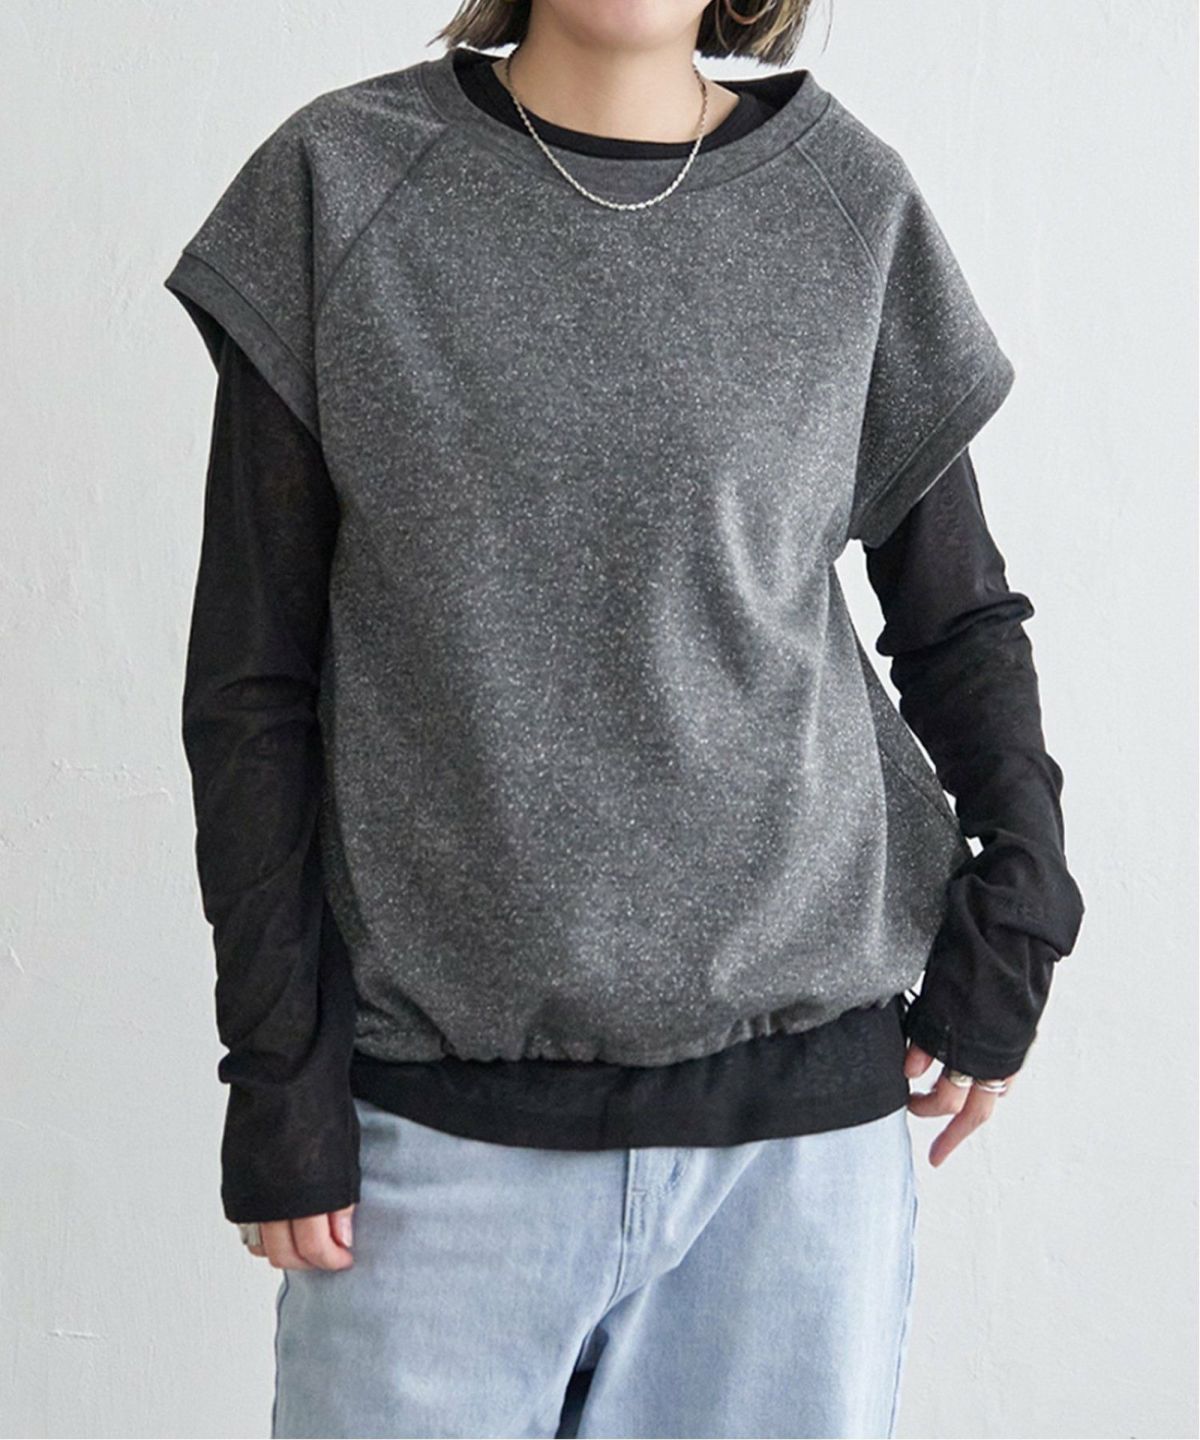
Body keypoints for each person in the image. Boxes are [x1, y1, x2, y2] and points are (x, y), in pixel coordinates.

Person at [163, 2, 1085, 1436]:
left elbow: (957, 619)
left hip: (793, 1165)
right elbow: (252, 684)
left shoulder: (847, 205)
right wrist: (277, 1073)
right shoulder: (340, 186)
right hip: (429, 1149)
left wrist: (1021, 909)